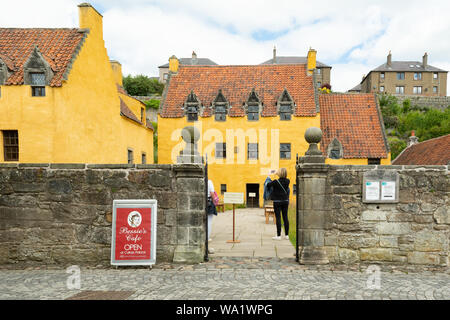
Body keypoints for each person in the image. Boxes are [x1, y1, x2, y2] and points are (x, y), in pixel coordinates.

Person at [266, 168, 290, 240]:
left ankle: (278, 235)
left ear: (279, 173)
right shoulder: (288, 181)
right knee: (285, 217)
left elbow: (268, 185)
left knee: (278, 217)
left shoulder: (275, 182)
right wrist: (278, 173)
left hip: (277, 201)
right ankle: (286, 235)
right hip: (285, 201)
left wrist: (269, 175)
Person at [207, 179, 217, 254]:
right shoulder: (209, 181)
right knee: (209, 221)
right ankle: (207, 238)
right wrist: (215, 202)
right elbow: (212, 193)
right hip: (209, 202)